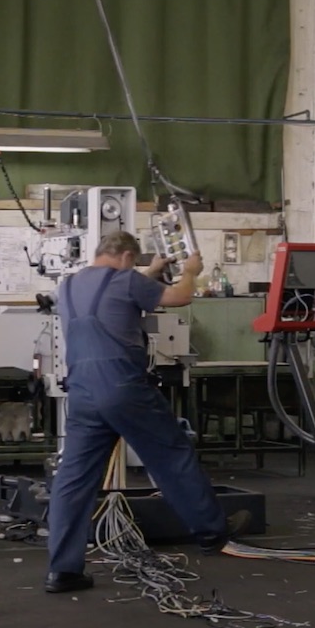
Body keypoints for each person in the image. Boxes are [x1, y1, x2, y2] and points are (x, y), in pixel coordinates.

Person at [44, 231, 250, 593]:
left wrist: (151, 272)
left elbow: (114, 300)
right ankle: (211, 534)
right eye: (135, 262)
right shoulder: (125, 280)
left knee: (73, 481)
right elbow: (181, 297)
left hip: (82, 392)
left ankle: (63, 570)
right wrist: (190, 271)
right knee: (171, 455)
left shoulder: (69, 286)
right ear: (126, 256)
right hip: (123, 387)